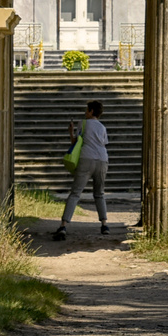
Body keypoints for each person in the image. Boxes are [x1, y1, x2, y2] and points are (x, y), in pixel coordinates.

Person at [52, 100, 111, 240]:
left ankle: (63, 225)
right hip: (103, 160)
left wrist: (71, 132)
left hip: (87, 159)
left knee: (75, 193)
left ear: (91, 111)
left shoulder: (83, 123)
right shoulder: (102, 127)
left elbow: (75, 142)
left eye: (87, 110)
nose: (85, 112)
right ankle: (104, 225)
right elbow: (104, 143)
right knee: (99, 193)